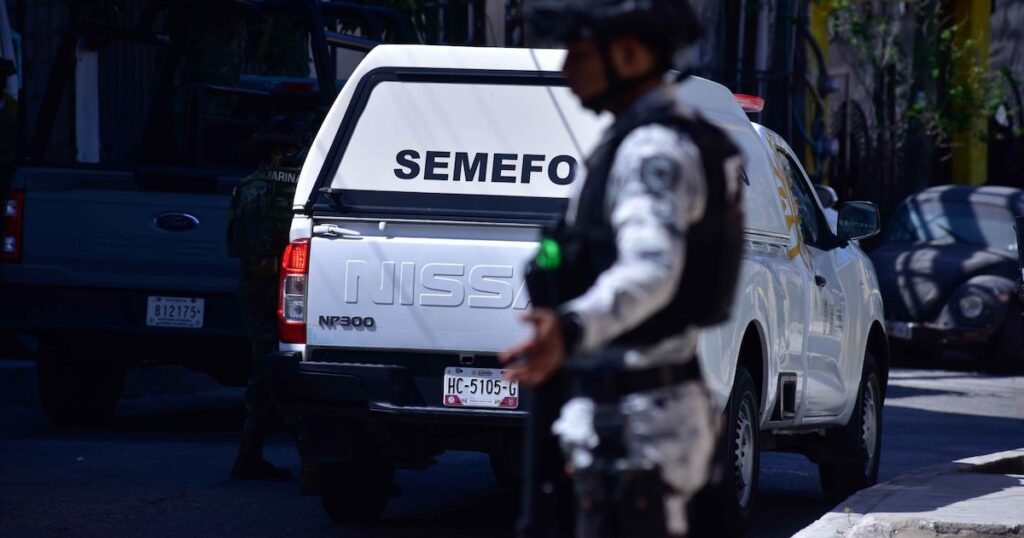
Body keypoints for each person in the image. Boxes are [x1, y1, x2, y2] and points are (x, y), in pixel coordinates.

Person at [501, 1, 745, 536]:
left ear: (630, 55)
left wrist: (570, 327)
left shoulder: (653, 149)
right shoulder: (639, 137)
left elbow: (652, 267)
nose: (565, 69)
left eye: (579, 52)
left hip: (636, 432)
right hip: (630, 420)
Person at [227, 116, 307, 482]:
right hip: (282, 287)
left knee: (264, 368)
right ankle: (316, 465)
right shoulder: (295, 188)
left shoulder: (244, 187)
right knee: (294, 369)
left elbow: (232, 244)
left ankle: (251, 453)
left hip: (252, 285)